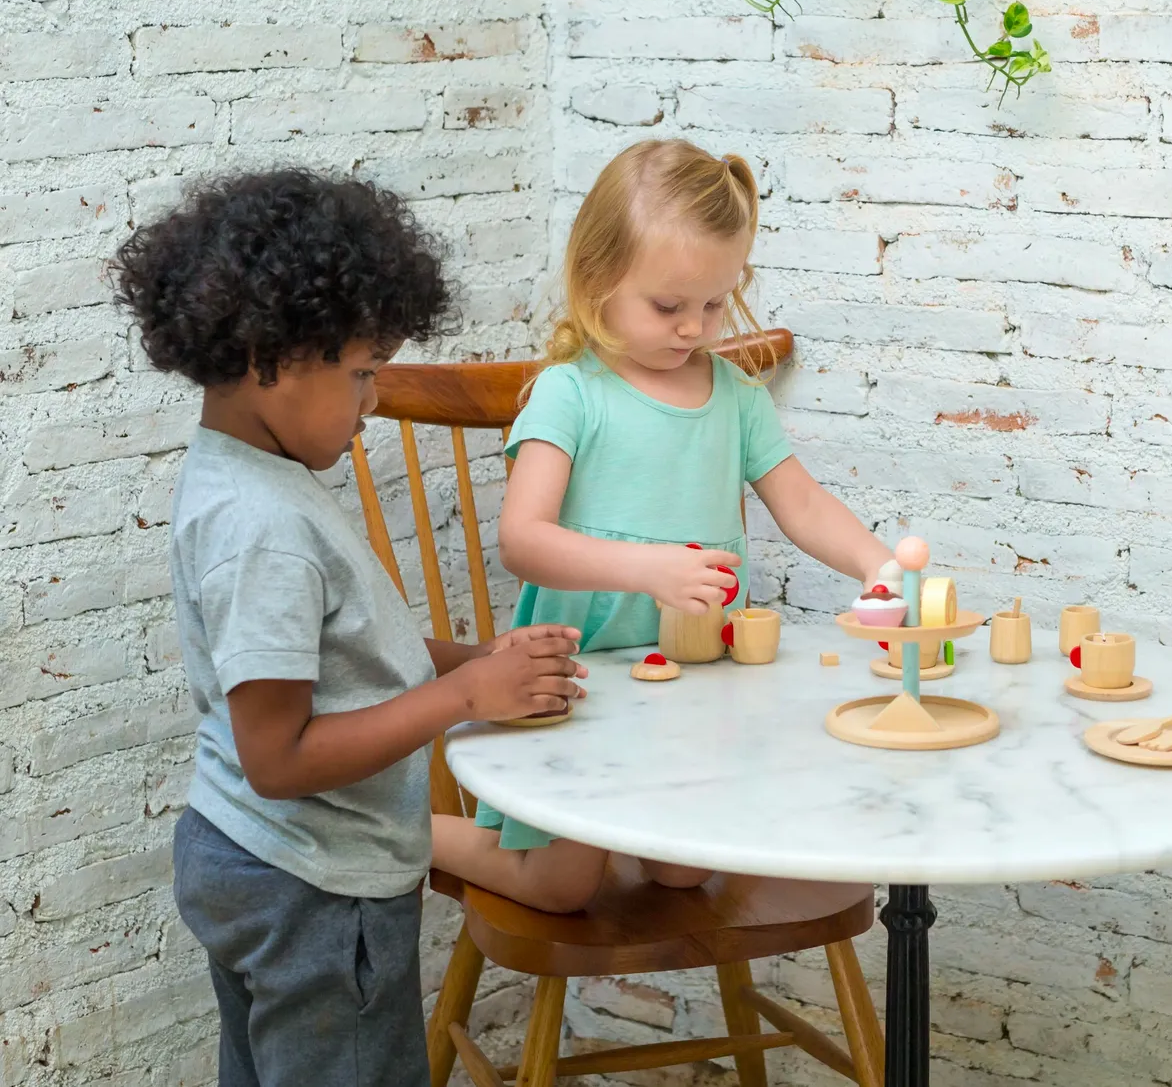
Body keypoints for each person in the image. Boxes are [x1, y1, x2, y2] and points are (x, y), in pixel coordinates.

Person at [115, 169, 588, 1087]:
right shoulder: (266, 530)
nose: (372, 402)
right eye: (362, 372)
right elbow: (280, 758)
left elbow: (344, 658)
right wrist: (460, 697)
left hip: (253, 858)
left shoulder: (252, 480)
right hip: (313, 887)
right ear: (271, 356)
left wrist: (481, 660)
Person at [430, 138, 895, 911]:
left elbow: (803, 504)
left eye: (714, 304)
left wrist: (877, 563)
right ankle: (401, 835)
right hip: (582, 679)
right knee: (561, 885)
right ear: (597, 281)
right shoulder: (570, 395)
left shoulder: (737, 399)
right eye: (669, 306)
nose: (694, 329)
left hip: (698, 677)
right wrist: (648, 569)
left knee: (684, 867)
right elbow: (524, 539)